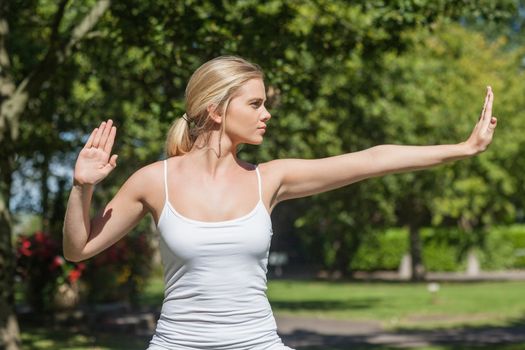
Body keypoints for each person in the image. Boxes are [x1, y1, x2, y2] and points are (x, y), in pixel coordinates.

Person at [63, 55, 497, 350]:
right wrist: (82, 187)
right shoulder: (153, 181)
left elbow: (371, 159)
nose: (266, 113)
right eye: (255, 103)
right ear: (216, 110)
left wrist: (461, 148)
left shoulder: (269, 179)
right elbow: (78, 249)